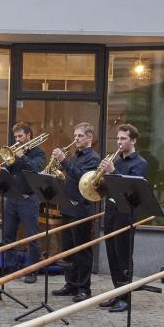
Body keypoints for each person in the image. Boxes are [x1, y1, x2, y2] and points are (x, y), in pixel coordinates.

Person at [97, 124, 149, 313]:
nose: (119, 142)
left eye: (123, 139)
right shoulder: (117, 161)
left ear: (133, 140)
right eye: (118, 139)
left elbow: (130, 189)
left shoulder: (140, 163)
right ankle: (117, 292)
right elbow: (108, 187)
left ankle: (125, 298)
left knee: (123, 255)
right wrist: (102, 176)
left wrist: (112, 172)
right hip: (111, 210)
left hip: (126, 213)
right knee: (112, 254)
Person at [50, 123, 101, 302]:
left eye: (80, 136)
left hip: (82, 210)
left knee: (82, 251)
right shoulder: (75, 156)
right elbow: (69, 176)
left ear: (89, 137)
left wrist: (64, 161)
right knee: (68, 250)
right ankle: (71, 284)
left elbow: (83, 178)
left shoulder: (94, 159)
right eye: (75, 135)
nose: (76, 138)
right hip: (68, 207)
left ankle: (84, 288)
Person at [0, 123, 46, 283]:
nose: (17, 140)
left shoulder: (39, 152)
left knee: (32, 237)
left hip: (29, 198)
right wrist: (7, 165)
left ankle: (32, 271)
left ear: (28, 135)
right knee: (8, 235)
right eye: (16, 137)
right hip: (12, 198)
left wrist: (22, 156)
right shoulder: (15, 152)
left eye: (20, 136)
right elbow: (8, 172)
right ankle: (11, 268)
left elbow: (36, 169)